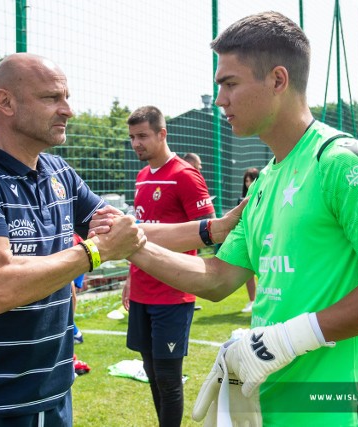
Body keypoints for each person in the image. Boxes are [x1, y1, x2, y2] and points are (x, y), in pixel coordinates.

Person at [120, 11, 358, 426]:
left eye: (230, 83)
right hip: (265, 407)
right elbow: (219, 277)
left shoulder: (344, 163)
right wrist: (135, 248)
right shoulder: (264, 181)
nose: (221, 99)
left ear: (278, 80)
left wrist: (286, 339)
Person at [0, 52, 145, 426]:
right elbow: (0, 288)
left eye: (66, 97)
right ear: (6, 102)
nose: (68, 110)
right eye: (51, 98)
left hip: (54, 393)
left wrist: (215, 229)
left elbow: (122, 230)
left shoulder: (59, 171)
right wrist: (94, 252)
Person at [123, 105, 215, 427]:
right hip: (142, 290)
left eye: (143, 136)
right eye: (132, 137)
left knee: (168, 377)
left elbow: (208, 231)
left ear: (162, 134)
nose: (137, 143)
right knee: (151, 373)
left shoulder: (185, 175)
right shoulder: (141, 176)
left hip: (173, 292)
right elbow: (138, 234)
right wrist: (129, 279)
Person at [237, 167, 259, 313]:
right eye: (246, 180)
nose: (248, 183)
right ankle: (252, 301)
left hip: (261, 240)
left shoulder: (264, 195)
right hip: (247, 240)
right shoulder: (241, 200)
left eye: (251, 180)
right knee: (247, 274)